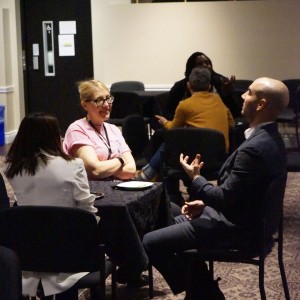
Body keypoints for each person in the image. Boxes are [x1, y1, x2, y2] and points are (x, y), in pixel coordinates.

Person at [142, 77, 289, 299]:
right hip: (244, 220)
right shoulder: (271, 138)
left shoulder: (256, 148)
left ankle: (203, 291)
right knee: (167, 210)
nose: (241, 96)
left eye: (248, 92)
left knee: (149, 242)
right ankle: (203, 290)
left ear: (261, 105)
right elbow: (245, 194)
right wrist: (205, 203)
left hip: (238, 231)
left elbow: (225, 197)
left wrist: (195, 178)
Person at [4, 112, 98, 299]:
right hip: (69, 253)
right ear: (53, 136)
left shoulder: (11, 169)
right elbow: (87, 211)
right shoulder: (74, 165)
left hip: (27, 250)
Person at [136, 68, 234, 191]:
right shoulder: (219, 101)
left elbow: (172, 130)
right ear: (209, 86)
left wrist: (165, 122)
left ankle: (152, 178)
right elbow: (231, 124)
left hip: (192, 159)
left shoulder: (185, 105)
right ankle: (147, 173)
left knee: (169, 144)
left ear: (188, 85)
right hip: (218, 159)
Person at [63, 79, 136, 180]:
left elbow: (131, 171)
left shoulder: (113, 129)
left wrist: (104, 168)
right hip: (91, 191)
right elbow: (95, 171)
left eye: (108, 98)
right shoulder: (77, 129)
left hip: (117, 187)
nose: (106, 105)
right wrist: (120, 160)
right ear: (85, 105)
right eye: (99, 100)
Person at [166, 51, 242, 119]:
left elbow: (236, 113)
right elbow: (169, 114)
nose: (205, 66)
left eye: (207, 63)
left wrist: (227, 94)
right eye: (199, 64)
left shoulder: (222, 82)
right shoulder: (180, 87)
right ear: (191, 69)